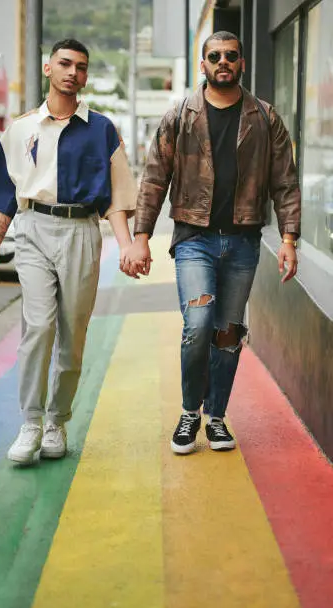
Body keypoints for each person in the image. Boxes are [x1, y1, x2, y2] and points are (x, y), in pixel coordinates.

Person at [124, 31, 301, 455]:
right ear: (202, 64)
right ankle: (190, 412)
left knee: (227, 333)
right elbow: (153, 178)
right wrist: (141, 237)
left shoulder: (264, 117)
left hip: (242, 242)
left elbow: (285, 181)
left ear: (242, 63)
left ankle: (216, 418)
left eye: (231, 56)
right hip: (193, 239)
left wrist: (290, 238)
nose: (224, 61)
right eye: (215, 56)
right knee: (199, 325)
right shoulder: (180, 116)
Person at [0, 39, 137, 464]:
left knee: (72, 332)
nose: (72, 73)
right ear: (48, 68)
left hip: (82, 231)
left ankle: (56, 421)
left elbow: (117, 199)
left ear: (85, 77)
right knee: (38, 326)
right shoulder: (21, 128)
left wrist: (126, 247)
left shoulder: (102, 129)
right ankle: (30, 421)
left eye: (81, 67)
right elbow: (8, 193)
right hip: (32, 229)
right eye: (65, 64)